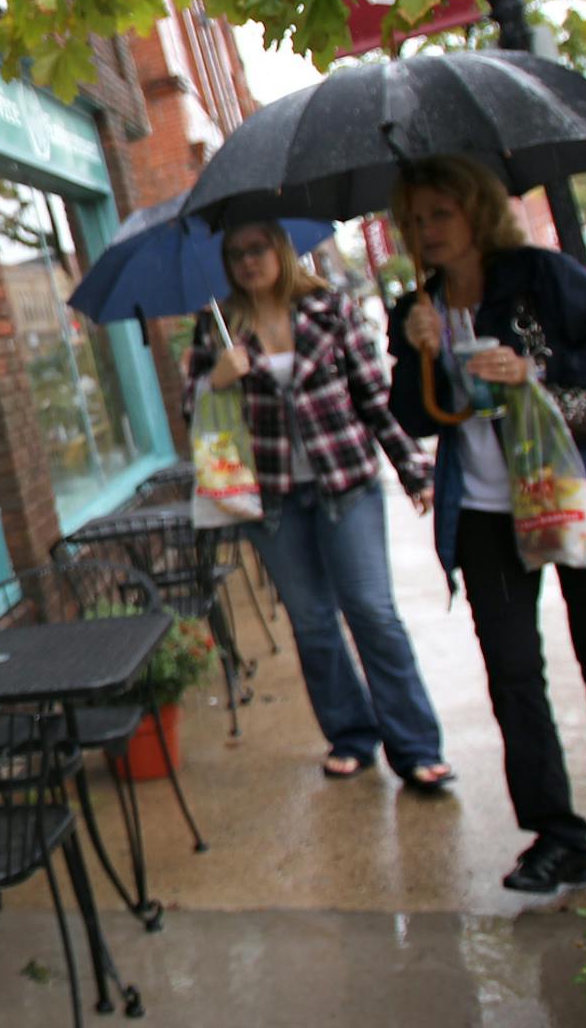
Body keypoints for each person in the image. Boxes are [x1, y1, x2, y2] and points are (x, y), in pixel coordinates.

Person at [387, 154, 586, 894]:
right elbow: (414, 419)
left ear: (475, 211)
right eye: (413, 219)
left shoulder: (540, 276)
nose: (426, 230)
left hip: (572, 492)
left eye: (439, 213)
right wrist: (418, 354)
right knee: (513, 677)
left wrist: (535, 368)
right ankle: (556, 835)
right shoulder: (415, 306)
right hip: (483, 513)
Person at [187, 220, 453, 792]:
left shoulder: (330, 311)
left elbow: (374, 399)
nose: (247, 261)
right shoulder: (218, 326)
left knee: (372, 612)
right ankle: (352, 736)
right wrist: (216, 378)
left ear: (280, 250)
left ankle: (416, 746)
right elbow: (193, 408)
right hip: (272, 499)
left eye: (257, 248)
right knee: (312, 622)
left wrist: (414, 470)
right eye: (235, 253)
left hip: (346, 484)